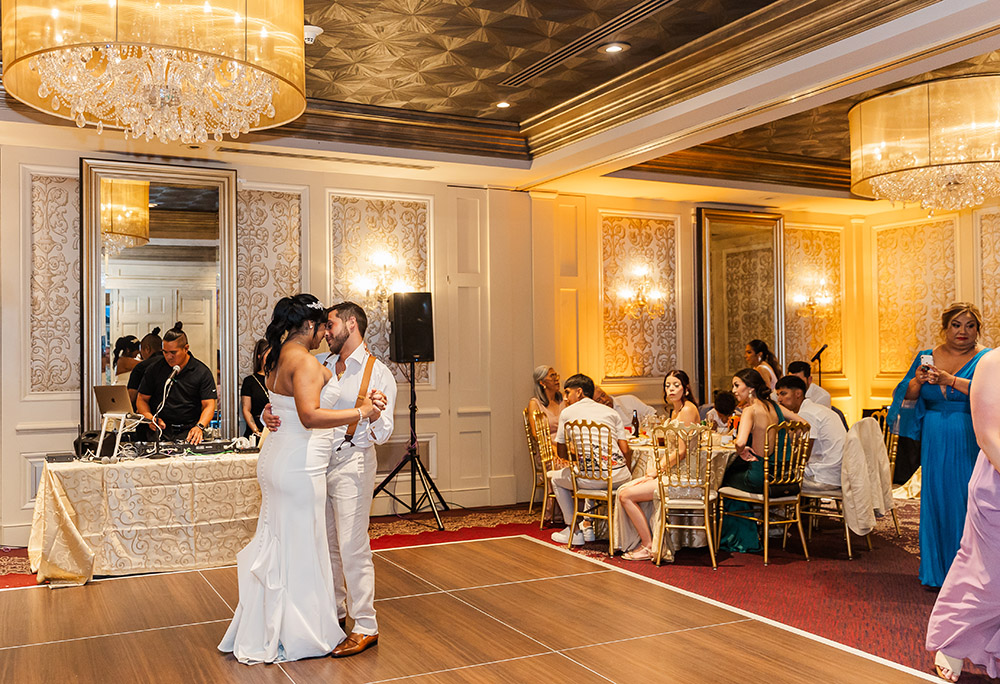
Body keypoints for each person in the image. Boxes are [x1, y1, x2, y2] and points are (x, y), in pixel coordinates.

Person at [219, 294, 381, 665]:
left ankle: (273, 624)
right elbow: (309, 415)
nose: (325, 332)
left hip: (280, 457)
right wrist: (362, 410)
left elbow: (282, 403)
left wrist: (268, 412)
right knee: (302, 546)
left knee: (283, 542)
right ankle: (301, 631)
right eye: (322, 325)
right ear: (309, 326)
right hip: (300, 465)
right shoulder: (306, 362)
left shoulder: (275, 356)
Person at [263, 301, 395, 658]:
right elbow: (295, 403)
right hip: (315, 464)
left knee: (353, 546)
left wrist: (374, 412)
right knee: (326, 544)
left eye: (331, 324)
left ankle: (366, 624)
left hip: (352, 462)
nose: (325, 331)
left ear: (351, 324)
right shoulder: (318, 363)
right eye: (322, 325)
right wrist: (268, 413)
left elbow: (384, 432)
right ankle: (332, 615)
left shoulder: (378, 373)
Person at [887, 302, 990, 588]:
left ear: (978, 330)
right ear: (945, 328)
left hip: (969, 433)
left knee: (966, 499)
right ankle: (937, 571)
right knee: (935, 499)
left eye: (970, 326)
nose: (963, 331)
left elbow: (990, 392)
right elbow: (905, 396)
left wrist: (951, 380)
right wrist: (918, 382)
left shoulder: (986, 359)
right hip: (934, 433)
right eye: (956, 325)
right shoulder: (926, 356)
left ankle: (970, 573)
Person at [926, 348, 1000, 682]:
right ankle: (953, 644)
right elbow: (987, 434)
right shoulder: (993, 362)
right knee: (987, 572)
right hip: (996, 481)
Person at [617, 370, 699, 561]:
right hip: (674, 472)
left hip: (684, 477)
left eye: (676, 385)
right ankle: (645, 542)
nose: (671, 389)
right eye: (668, 385)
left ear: (686, 388)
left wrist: (657, 469)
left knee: (626, 495)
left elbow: (681, 451)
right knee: (626, 490)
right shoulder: (676, 410)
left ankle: (648, 545)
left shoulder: (687, 410)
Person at [718, 368, 803, 553]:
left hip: (759, 477)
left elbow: (740, 442)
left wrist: (741, 451)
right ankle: (746, 536)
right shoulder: (775, 406)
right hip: (781, 475)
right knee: (734, 475)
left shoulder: (750, 410)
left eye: (736, 385)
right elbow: (803, 424)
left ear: (750, 389)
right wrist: (789, 444)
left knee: (723, 479)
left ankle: (740, 539)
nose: (733, 390)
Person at [548, 374, 632, 546]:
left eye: (567, 392)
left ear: (578, 392)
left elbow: (562, 453)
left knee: (556, 478)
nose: (565, 397)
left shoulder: (567, 413)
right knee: (590, 470)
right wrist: (626, 474)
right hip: (620, 477)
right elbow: (625, 450)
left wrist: (580, 455)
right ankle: (589, 526)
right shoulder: (611, 412)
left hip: (592, 479)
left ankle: (574, 530)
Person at [135, 323, 217, 444]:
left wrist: (200, 426)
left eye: (173, 352)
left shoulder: (201, 372)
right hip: (160, 430)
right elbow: (141, 399)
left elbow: (209, 405)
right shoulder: (154, 369)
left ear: (186, 348)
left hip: (189, 431)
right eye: (165, 352)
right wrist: (149, 417)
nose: (169, 357)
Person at [774, 375, 845, 490]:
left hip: (823, 477)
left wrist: (781, 462)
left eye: (783, 394)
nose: (779, 400)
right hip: (838, 474)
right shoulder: (818, 409)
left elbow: (804, 455)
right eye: (778, 395)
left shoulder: (807, 414)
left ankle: (777, 508)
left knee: (774, 476)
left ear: (798, 393)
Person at [240, 339, 269, 440]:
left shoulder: (279, 380)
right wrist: (256, 431)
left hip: (275, 429)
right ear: (259, 356)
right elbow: (246, 409)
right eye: (268, 354)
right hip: (256, 431)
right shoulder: (250, 381)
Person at [127, 327, 163, 405]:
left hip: (146, 411)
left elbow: (131, 398)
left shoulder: (141, 367)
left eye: (141, 352)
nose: (141, 356)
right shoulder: (171, 363)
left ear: (147, 349)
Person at [528, 365, 564, 438]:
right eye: (552, 376)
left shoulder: (564, 400)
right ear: (542, 383)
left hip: (568, 443)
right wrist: (554, 447)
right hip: (549, 446)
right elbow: (536, 434)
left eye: (556, 375)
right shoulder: (535, 403)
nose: (556, 379)